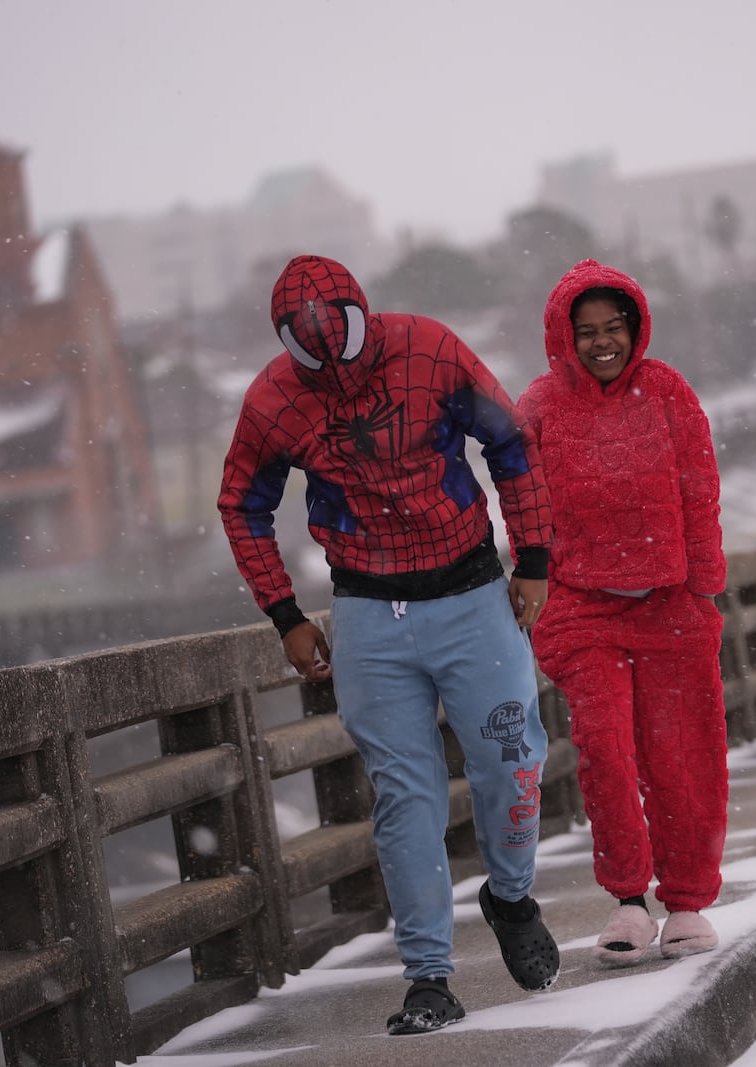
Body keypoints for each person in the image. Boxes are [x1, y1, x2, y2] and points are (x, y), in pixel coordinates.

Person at [217, 254, 560, 1035]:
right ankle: (429, 975)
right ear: (288, 344)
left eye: (340, 338)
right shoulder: (275, 400)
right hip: (370, 611)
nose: (330, 361)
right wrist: (284, 612)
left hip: (471, 590)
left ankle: (509, 897)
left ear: (364, 316)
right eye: (309, 349)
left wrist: (532, 558)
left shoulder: (430, 351)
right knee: (406, 796)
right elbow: (242, 503)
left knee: (513, 761)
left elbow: (510, 445)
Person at [516, 259, 729, 966]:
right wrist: (536, 581)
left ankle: (689, 900)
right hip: (584, 609)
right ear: (563, 337)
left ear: (634, 329)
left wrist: (701, 584)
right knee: (605, 747)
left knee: (680, 754)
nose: (601, 342)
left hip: (670, 605)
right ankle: (629, 899)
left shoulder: (667, 390)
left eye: (614, 328)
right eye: (587, 331)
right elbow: (522, 503)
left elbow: (699, 484)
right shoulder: (541, 406)